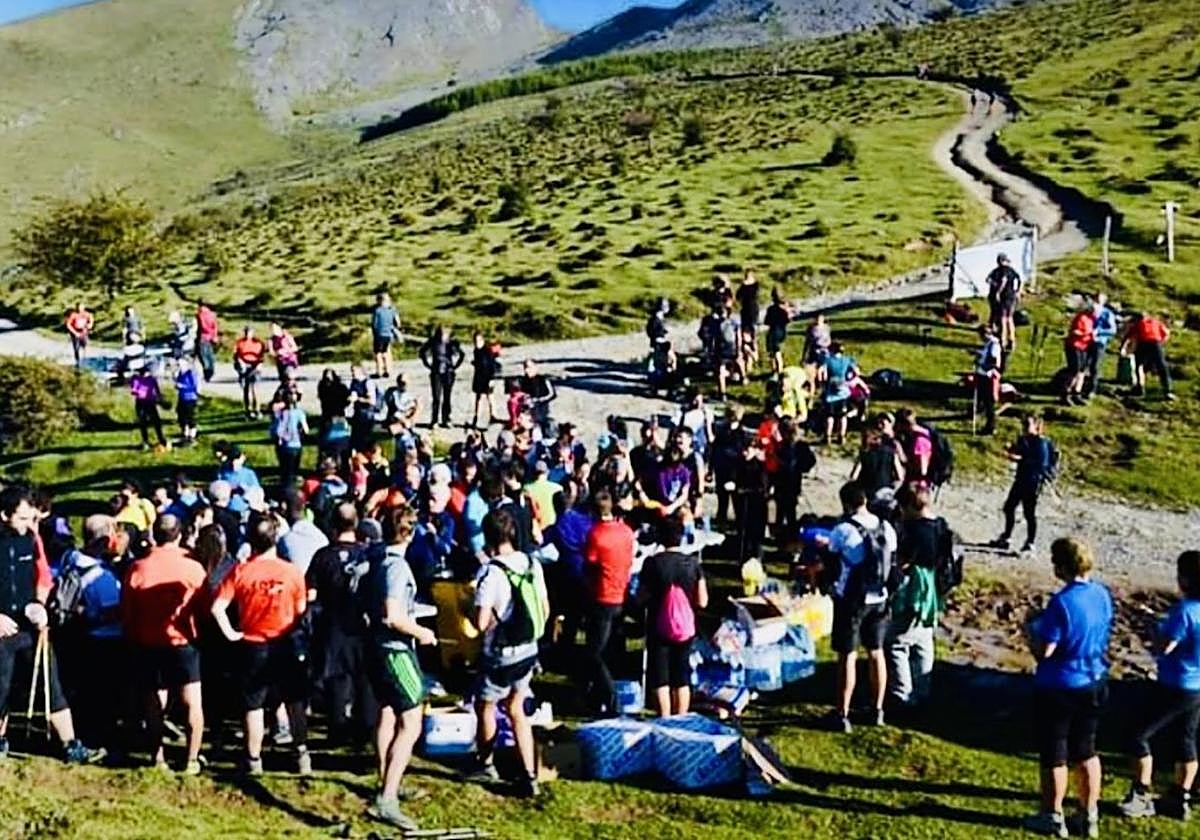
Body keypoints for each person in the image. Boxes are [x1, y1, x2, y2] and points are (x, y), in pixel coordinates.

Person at [0, 487, 104, 764]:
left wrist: (39, 604)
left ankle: (70, 745)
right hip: (1, 629)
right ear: (4, 515)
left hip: (30, 626)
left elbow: (43, 576)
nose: (29, 525)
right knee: (2, 686)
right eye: (22, 519)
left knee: (51, 684)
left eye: (31, 519)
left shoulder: (31, 540)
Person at [1022, 537, 1112, 839]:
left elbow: (1044, 650)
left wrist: (1029, 629)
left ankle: (1052, 815)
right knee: (1087, 749)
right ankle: (1089, 814)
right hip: (1094, 677)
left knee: (1054, 753)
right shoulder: (1101, 593)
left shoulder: (1062, 602)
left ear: (1061, 566)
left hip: (1060, 684)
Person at [211, 516, 311, 775]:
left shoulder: (241, 571)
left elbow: (217, 607)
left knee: (253, 705)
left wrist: (231, 633)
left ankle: (253, 758)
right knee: (294, 701)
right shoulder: (292, 572)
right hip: (285, 641)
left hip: (252, 644)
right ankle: (301, 754)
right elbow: (301, 610)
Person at [468, 508, 548, 797]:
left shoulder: (490, 573)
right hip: (528, 649)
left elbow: (479, 623)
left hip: (500, 653)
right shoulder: (530, 564)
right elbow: (544, 606)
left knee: (486, 706)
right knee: (517, 709)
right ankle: (529, 774)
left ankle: (486, 763)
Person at [364, 507, 436, 830]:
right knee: (412, 722)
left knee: (387, 714)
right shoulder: (397, 567)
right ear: (410, 532)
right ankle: (388, 798)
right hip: (395, 652)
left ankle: (387, 779)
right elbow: (393, 615)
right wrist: (422, 632)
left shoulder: (377, 558)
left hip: (375, 648)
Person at [120, 514, 207, 773]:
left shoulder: (138, 567)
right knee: (192, 700)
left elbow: (127, 610)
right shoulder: (193, 567)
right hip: (183, 641)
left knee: (155, 700)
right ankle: (192, 758)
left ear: (153, 536)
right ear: (179, 535)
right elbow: (204, 607)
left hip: (148, 640)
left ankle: (157, 757)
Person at [1119, 550, 1200, 822]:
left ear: (1185, 579)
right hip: (1197, 687)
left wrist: (1154, 630)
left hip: (1174, 683)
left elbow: (1165, 647)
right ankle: (1180, 797)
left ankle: (1141, 792)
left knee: (1137, 735)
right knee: (1185, 740)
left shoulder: (1185, 612)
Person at [827, 482, 897, 733]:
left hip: (852, 600)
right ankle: (877, 709)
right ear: (865, 500)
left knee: (848, 655)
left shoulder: (843, 530)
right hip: (880, 597)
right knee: (876, 652)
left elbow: (832, 560)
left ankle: (841, 713)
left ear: (845, 503)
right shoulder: (886, 527)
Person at [307, 503, 376, 746]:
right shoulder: (367, 556)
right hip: (362, 625)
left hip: (333, 625)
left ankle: (337, 730)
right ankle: (365, 730)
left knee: (337, 678)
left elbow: (311, 595)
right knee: (365, 678)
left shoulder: (322, 556)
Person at [637, 516, 708, 717]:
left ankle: (664, 718)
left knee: (660, 676)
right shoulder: (693, 564)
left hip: (658, 625)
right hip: (685, 626)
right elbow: (703, 601)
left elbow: (641, 597)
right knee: (681, 674)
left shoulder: (652, 564)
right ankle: (681, 717)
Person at [885, 488, 945, 710]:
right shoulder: (940, 526)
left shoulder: (914, 531)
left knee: (896, 642)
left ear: (909, 506)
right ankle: (922, 690)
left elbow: (903, 561)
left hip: (915, 590)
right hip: (933, 589)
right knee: (923, 639)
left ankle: (903, 694)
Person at [582, 490, 634, 716]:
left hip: (602, 596)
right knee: (613, 646)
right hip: (621, 593)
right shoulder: (626, 531)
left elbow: (590, 564)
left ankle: (610, 696)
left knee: (594, 652)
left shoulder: (596, 535)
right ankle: (606, 691)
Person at [993, 413, 1056, 554]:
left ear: (1036, 426)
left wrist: (1019, 459)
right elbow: (1019, 451)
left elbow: (1041, 463)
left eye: (1027, 425)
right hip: (1021, 479)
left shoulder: (1042, 443)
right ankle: (1006, 537)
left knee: (1029, 512)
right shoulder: (1023, 439)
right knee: (1009, 507)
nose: (1024, 428)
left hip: (1033, 481)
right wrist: (1010, 450)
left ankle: (1030, 542)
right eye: (1023, 425)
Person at [419, 325, 465, 429]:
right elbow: (422, 352)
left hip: (448, 371)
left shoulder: (452, 343)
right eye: (441, 333)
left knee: (447, 397)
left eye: (444, 334)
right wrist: (428, 365)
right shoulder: (433, 342)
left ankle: (446, 419)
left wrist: (455, 366)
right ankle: (434, 420)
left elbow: (462, 354)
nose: (442, 336)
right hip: (436, 372)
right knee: (436, 397)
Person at [1121, 312, 1174, 401]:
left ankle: (1140, 387)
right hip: (1155, 343)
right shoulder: (1156, 322)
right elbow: (1166, 333)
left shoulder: (1137, 324)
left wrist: (1123, 348)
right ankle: (1167, 390)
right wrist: (1161, 342)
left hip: (1143, 343)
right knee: (1162, 366)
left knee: (1139, 366)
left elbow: (1129, 337)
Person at [822, 343, 859, 446]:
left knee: (830, 416)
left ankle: (827, 436)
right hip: (843, 391)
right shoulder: (847, 360)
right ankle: (841, 436)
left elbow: (823, 375)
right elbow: (857, 372)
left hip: (831, 392)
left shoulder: (828, 360)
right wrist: (849, 380)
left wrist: (824, 384)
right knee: (842, 416)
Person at [271, 392, 309, 489]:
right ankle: (293, 490)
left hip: (284, 446)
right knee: (294, 471)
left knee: (285, 471)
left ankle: (285, 491)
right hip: (296, 445)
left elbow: (275, 430)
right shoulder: (300, 413)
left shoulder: (280, 414)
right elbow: (306, 430)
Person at [986, 253, 1022, 352]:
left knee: (1003, 319)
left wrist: (998, 292)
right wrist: (1018, 291)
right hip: (1012, 297)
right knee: (1010, 319)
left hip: (1004, 297)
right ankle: (1012, 341)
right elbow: (1018, 280)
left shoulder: (1000, 270)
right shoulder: (1012, 270)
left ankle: (1003, 341)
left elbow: (1003, 280)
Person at [1086, 293, 1118, 400]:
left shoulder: (1107, 313)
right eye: (1096, 299)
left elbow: (1112, 330)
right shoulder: (1089, 311)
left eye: (1100, 300)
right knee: (1083, 364)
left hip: (1099, 341)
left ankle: (1092, 389)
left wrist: (1098, 332)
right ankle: (1077, 388)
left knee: (1095, 365)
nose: (1097, 301)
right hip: (1086, 340)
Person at [382, 373, 420, 461]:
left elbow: (416, 409)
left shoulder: (412, 395)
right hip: (395, 420)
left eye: (405, 383)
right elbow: (393, 410)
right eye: (401, 382)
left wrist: (410, 420)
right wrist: (404, 421)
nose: (403, 385)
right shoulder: (392, 393)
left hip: (407, 422)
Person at [130, 368, 169, 452]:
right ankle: (145, 442)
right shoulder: (135, 379)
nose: (144, 374)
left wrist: (160, 399)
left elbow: (157, 391)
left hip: (151, 402)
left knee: (156, 421)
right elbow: (133, 391)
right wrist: (141, 391)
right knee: (143, 422)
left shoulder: (152, 379)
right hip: (141, 402)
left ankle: (161, 439)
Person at [1063, 304, 1094, 405]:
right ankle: (1066, 393)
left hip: (1084, 346)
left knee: (1082, 370)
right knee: (1074, 370)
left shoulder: (1091, 319)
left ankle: (1077, 393)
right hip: (1074, 345)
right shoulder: (1081, 317)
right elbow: (1074, 331)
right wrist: (1086, 334)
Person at [234, 326, 267, 420]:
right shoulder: (240, 342)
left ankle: (257, 410)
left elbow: (262, 356)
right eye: (246, 332)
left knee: (255, 390)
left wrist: (259, 364)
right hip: (244, 367)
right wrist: (240, 362)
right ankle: (247, 411)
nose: (248, 334)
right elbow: (236, 355)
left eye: (250, 332)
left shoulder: (258, 343)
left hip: (255, 367)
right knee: (246, 390)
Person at [975, 323, 1003, 434]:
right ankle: (979, 412)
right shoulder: (988, 344)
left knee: (989, 403)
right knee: (983, 399)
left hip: (988, 377)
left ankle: (990, 426)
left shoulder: (994, 345)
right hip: (982, 375)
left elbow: (994, 363)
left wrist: (981, 365)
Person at [470, 332, 501, 429]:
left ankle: (493, 415)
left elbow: (492, 365)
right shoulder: (476, 351)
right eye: (475, 341)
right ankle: (477, 416)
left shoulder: (488, 351)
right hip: (479, 377)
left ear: (482, 340)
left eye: (478, 341)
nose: (476, 343)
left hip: (488, 377)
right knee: (478, 398)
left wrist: (492, 379)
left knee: (490, 397)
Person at [519, 360, 557, 438]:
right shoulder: (523, 381)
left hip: (542, 412)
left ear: (536, 368)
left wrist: (538, 400)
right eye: (525, 367)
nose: (527, 370)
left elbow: (552, 394)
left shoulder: (543, 380)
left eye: (529, 367)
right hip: (528, 415)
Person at [348, 365, 379, 454]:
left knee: (364, 439)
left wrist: (357, 399)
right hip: (357, 414)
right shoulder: (354, 382)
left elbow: (372, 401)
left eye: (354, 371)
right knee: (355, 439)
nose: (353, 373)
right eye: (352, 371)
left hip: (367, 414)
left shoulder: (368, 383)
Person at [371, 292, 402, 379]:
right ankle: (388, 370)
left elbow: (374, 324)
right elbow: (398, 323)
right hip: (388, 334)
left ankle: (379, 371)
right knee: (386, 352)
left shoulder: (377, 311)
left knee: (378, 353)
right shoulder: (392, 310)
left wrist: (375, 332)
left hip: (379, 334)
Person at [763, 288, 792, 375]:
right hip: (782, 332)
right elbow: (788, 321)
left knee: (774, 353)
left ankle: (777, 370)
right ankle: (779, 369)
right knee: (778, 352)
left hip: (773, 332)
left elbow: (766, 322)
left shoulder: (770, 309)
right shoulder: (783, 310)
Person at [736, 270, 761, 369]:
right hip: (747, 310)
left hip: (751, 310)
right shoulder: (748, 286)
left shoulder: (754, 285)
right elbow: (738, 296)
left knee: (751, 331)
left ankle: (753, 352)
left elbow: (752, 294)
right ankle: (750, 356)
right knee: (747, 333)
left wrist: (744, 285)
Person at [175, 361, 200, 446]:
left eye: (179, 365)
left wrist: (183, 386)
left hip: (190, 398)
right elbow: (177, 383)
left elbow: (195, 386)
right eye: (177, 365)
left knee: (190, 417)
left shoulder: (191, 374)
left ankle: (192, 437)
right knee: (182, 417)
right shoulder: (180, 374)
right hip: (182, 398)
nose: (178, 366)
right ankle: (185, 435)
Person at [195, 302, 219, 383]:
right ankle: (211, 371)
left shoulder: (200, 315)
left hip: (203, 338)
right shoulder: (212, 314)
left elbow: (203, 327)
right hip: (211, 338)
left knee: (204, 356)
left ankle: (207, 373)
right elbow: (215, 326)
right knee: (210, 355)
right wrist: (214, 335)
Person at [65, 303, 94, 369]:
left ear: (83, 308)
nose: (80, 309)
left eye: (81, 308)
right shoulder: (73, 315)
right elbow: (68, 325)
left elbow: (91, 318)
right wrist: (75, 333)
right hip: (76, 333)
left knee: (84, 346)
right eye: (78, 308)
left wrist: (90, 325)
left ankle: (84, 359)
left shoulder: (86, 314)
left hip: (84, 332)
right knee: (76, 348)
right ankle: (77, 362)